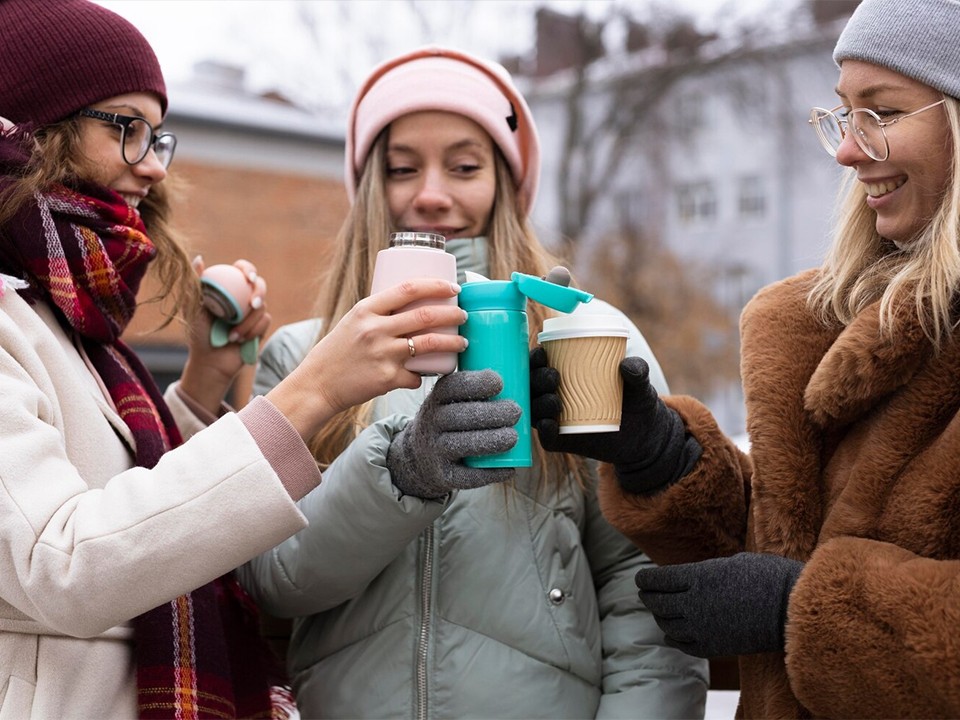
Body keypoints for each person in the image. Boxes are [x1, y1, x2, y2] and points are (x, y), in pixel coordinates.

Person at [0, 3, 469, 718]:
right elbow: (60, 562)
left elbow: (132, 509)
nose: (153, 165)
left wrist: (197, 391)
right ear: (28, 132)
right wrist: (311, 391)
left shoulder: (65, 316)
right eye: (125, 128)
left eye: (158, 136)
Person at [237, 46, 709, 719]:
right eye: (403, 168)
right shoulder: (304, 355)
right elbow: (275, 580)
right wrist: (402, 472)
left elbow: (644, 577)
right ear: (371, 185)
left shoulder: (583, 336)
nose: (432, 194)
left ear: (507, 184)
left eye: (464, 165)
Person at [530, 0, 960, 717]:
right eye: (843, 114)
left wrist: (805, 608)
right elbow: (782, 545)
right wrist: (661, 458)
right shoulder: (819, 327)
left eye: (881, 113)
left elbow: (787, 592)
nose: (848, 150)